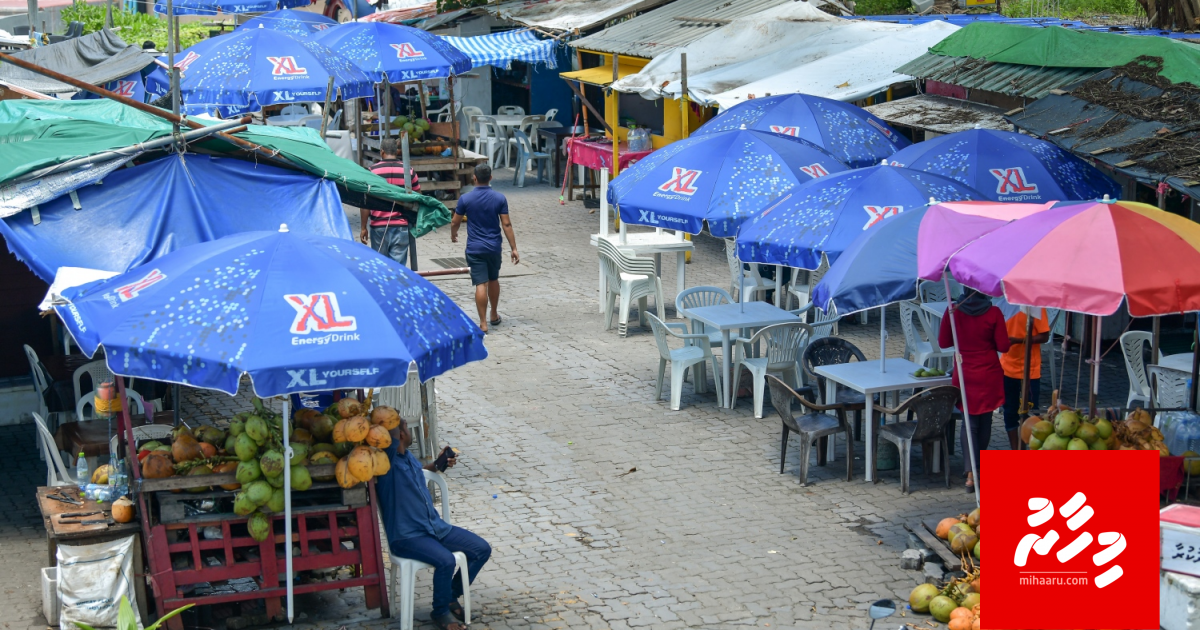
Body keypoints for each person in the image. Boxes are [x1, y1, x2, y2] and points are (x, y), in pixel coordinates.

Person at [378, 417, 491, 630]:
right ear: (400, 434)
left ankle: (450, 595)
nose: (409, 431)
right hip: (408, 536)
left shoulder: (407, 457)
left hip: (435, 528)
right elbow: (390, 438)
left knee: (481, 549)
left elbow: (417, 473)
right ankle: (440, 611)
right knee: (446, 560)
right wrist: (391, 419)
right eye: (406, 428)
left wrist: (437, 465)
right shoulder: (387, 462)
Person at [938, 290, 1011, 492]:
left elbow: (944, 342)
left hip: (964, 372)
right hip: (988, 372)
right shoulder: (994, 312)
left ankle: (970, 474)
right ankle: (977, 469)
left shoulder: (953, 311)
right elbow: (1004, 346)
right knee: (985, 421)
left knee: (968, 423)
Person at [450, 164, 519, 333]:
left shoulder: (465, 199)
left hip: (475, 248)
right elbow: (507, 224)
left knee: (481, 284)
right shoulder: (499, 198)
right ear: (491, 178)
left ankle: (483, 323)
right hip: (494, 247)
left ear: (474, 177)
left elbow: (455, 221)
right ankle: (494, 315)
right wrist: (514, 248)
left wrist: (454, 234)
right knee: (493, 279)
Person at [360, 138, 421, 266]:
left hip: (378, 227)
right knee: (398, 269)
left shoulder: (372, 172)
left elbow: (365, 202)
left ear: (382, 152)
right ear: (397, 152)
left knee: (381, 267)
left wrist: (363, 227)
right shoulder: (409, 171)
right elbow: (418, 198)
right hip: (401, 226)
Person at [1000, 305, 1050, 450]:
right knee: (1010, 412)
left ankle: (1025, 448)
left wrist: (1018, 340)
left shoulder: (1036, 307)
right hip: (1007, 368)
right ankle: (1016, 450)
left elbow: (1044, 336)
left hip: (1030, 371)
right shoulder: (1003, 305)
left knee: (1030, 414)